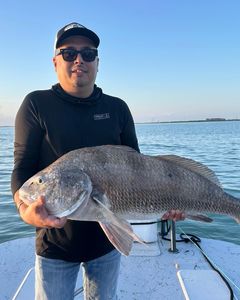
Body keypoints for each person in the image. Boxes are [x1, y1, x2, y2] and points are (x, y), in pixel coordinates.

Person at [11, 22, 185, 300]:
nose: (79, 59)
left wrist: (171, 202)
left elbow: (139, 170)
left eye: (88, 53)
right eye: (69, 53)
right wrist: (24, 208)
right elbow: (22, 166)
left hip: (107, 244)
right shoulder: (36, 104)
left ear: (97, 62)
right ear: (55, 62)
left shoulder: (117, 108)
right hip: (55, 247)